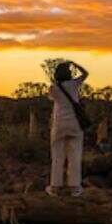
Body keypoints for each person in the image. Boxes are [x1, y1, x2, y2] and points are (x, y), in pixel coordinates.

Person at [47, 60, 88, 196]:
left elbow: (52, 99)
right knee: (75, 155)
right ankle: (74, 187)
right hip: (75, 125)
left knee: (57, 156)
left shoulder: (53, 88)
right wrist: (75, 64)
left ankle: (55, 187)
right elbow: (85, 74)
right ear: (69, 73)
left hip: (59, 125)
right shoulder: (74, 84)